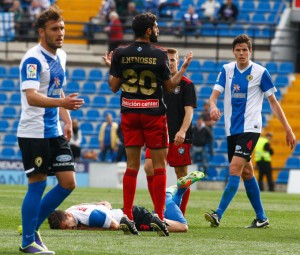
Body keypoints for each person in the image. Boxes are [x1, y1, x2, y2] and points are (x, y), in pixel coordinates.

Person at [102, 12, 193, 237]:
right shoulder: (159, 54)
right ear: (149, 30)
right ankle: (160, 217)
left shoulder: (121, 53)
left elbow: (113, 86)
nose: (158, 29)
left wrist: (111, 66)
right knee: (160, 166)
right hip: (153, 114)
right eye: (156, 26)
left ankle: (128, 216)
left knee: (131, 166)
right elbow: (170, 87)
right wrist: (181, 71)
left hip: (130, 113)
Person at [204, 34, 296, 229]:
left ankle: (218, 214)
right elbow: (213, 97)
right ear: (233, 52)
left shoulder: (261, 72)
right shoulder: (226, 70)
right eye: (238, 50)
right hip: (232, 129)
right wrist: (213, 106)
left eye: (245, 50)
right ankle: (261, 217)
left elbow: (273, 102)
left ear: (250, 51)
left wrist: (288, 129)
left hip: (251, 128)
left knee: (234, 169)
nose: (241, 53)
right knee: (246, 172)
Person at [17, 5, 84, 254]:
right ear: (41, 32)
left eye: (63, 28)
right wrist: (62, 104)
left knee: (68, 183)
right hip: (33, 132)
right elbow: (32, 97)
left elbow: (58, 90)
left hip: (54, 129)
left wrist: (66, 120)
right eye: (55, 29)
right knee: (37, 185)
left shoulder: (61, 56)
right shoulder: (32, 59)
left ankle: (32, 228)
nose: (60, 33)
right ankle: (27, 240)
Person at [47, 171, 203, 233]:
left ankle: (168, 195)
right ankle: (179, 191)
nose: (73, 229)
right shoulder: (72, 209)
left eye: (69, 226)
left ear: (67, 215)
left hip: (136, 218)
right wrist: (106, 207)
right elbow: (105, 204)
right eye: (67, 230)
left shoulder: (90, 218)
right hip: (126, 212)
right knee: (172, 219)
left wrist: (88, 229)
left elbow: (115, 226)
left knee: (183, 227)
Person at [144, 47, 198, 216]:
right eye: (167, 60)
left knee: (181, 176)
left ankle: (179, 213)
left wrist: (182, 131)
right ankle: (158, 209)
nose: (170, 63)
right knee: (149, 168)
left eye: (173, 60)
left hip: (178, 136)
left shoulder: (186, 85)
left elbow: (189, 111)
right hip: (157, 134)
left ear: (178, 62)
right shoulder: (157, 83)